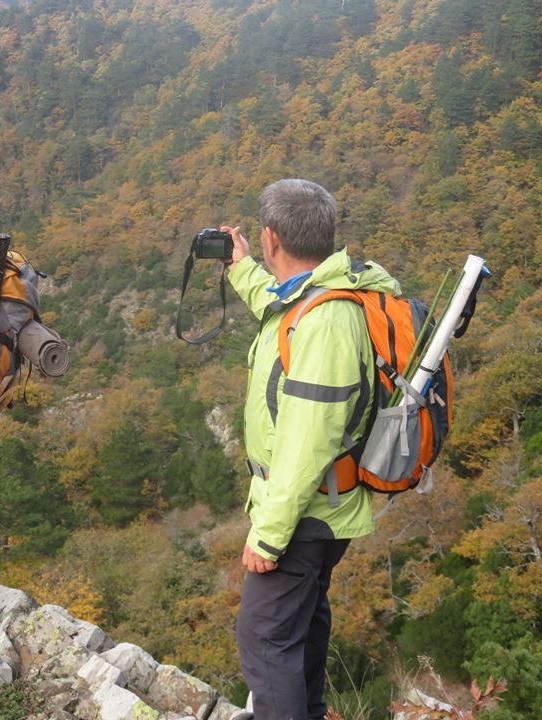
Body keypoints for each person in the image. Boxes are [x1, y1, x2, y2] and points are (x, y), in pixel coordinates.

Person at [220, 179, 400, 719]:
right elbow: (280, 310)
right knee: (302, 622)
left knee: (265, 640)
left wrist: (269, 537)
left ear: (271, 236)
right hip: (326, 505)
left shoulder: (324, 322)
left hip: (306, 512)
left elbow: (306, 441)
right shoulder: (322, 294)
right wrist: (241, 269)